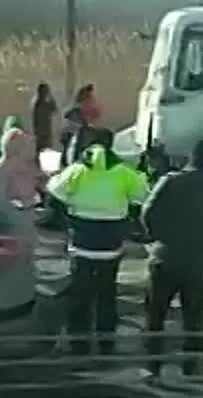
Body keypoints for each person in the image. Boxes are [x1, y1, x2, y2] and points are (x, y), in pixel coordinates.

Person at [46, 132, 148, 355]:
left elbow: (55, 189)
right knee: (107, 294)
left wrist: (73, 201)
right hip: (111, 245)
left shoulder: (79, 169)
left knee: (80, 296)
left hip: (82, 243)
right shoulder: (123, 172)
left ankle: (78, 344)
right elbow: (141, 195)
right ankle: (106, 344)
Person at [141, 138, 203, 377]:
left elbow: (148, 212)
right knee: (194, 320)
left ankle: (152, 366)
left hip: (166, 255)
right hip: (196, 260)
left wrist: (157, 237)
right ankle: (190, 369)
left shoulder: (171, 181)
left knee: (156, 315)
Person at [0, 127, 46, 210]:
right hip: (12, 214)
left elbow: (42, 184)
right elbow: (0, 199)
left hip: (33, 209)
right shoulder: (1, 168)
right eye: (30, 145)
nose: (34, 149)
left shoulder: (30, 164)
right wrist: (23, 203)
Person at [32, 82, 58, 153]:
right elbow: (55, 109)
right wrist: (51, 96)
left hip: (40, 134)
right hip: (44, 134)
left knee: (41, 153)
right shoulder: (44, 104)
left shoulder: (36, 104)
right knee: (46, 153)